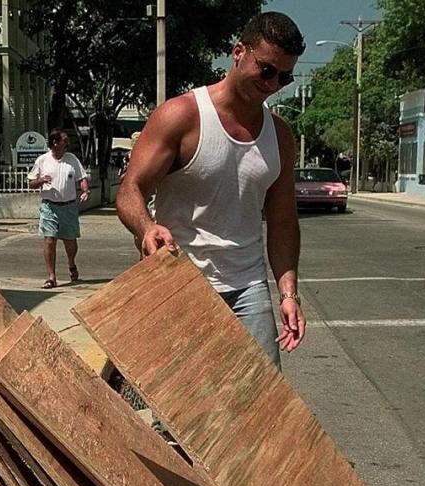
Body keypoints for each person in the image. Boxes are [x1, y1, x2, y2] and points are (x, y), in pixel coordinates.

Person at [116, 11, 307, 365]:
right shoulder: (181, 116)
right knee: (177, 408)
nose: (272, 83)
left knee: (260, 403)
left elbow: (282, 222)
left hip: (248, 288)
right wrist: (146, 227)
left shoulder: (280, 135)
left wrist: (288, 292)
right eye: (266, 70)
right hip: (179, 283)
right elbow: (131, 189)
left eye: (284, 77)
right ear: (238, 52)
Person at [28, 129, 91, 289]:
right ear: (53, 143)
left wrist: (85, 190)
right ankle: (51, 277)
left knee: (70, 242)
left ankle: (71, 263)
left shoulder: (72, 159)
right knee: (49, 240)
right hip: (49, 206)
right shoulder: (43, 160)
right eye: (58, 141)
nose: (61, 145)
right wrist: (41, 180)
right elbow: (31, 182)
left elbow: (81, 178)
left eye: (63, 142)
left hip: (68, 206)